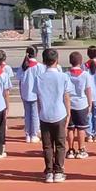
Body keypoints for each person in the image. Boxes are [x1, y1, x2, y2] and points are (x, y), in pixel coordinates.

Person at [34, 48, 72, 183]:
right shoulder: (63, 76)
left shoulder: (39, 78)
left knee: (47, 145)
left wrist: (40, 112)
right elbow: (66, 97)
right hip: (59, 113)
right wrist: (68, 113)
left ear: (43, 61)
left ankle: (49, 171)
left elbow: (38, 98)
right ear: (57, 60)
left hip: (45, 114)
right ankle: (59, 171)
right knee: (61, 144)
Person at [66, 52, 92, 159]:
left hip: (69, 104)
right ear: (81, 62)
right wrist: (90, 103)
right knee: (81, 128)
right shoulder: (85, 75)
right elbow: (88, 90)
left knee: (70, 128)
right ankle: (81, 149)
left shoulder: (66, 75)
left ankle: (71, 149)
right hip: (81, 104)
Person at [17, 46, 45, 143]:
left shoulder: (23, 66)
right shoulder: (39, 67)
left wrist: (21, 92)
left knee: (27, 114)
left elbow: (20, 81)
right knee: (35, 114)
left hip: (25, 93)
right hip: (35, 94)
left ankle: (28, 134)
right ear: (36, 54)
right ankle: (34, 134)